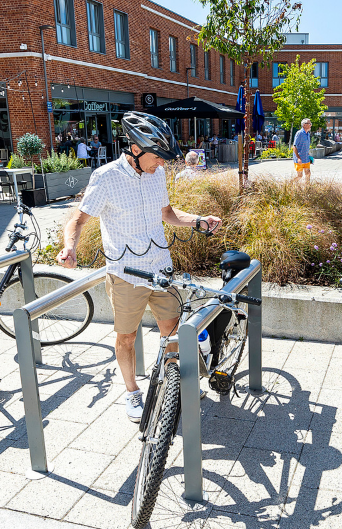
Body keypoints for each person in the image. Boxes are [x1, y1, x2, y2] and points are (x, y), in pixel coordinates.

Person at [56, 112, 222, 422]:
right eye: (157, 157)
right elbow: (78, 219)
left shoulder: (156, 174)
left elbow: (168, 214)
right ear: (135, 149)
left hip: (161, 269)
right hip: (126, 275)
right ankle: (132, 393)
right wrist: (70, 247)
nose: (162, 164)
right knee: (127, 338)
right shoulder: (105, 178)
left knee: (173, 333)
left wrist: (198, 220)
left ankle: (180, 383)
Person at [291, 118, 312, 184]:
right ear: (304, 125)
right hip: (299, 159)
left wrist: (309, 156)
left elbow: (305, 146)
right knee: (300, 176)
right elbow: (294, 146)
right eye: (309, 123)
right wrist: (298, 158)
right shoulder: (299, 133)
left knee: (308, 174)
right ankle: (290, 184)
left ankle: (307, 189)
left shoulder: (308, 134)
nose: (311, 125)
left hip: (306, 158)